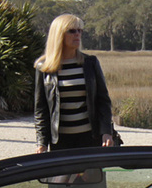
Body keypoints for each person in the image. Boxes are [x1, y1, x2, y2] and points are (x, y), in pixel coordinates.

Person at [34, 14, 122, 152]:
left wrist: (106, 132)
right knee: (62, 174)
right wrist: (42, 142)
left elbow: (103, 100)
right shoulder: (44, 67)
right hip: (60, 141)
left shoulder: (90, 63)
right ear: (59, 34)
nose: (77, 34)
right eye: (72, 31)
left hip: (89, 138)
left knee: (90, 174)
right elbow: (41, 109)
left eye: (80, 30)